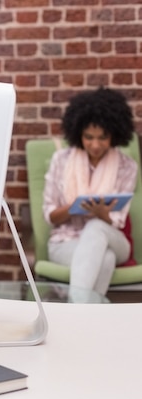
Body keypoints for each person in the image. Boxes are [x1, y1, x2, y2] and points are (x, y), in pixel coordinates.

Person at [43, 87, 138, 299]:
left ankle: (74, 313)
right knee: (105, 259)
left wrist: (101, 213)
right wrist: (73, 206)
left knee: (96, 228)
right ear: (78, 133)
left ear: (114, 134)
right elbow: (49, 215)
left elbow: (118, 222)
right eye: (89, 137)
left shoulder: (126, 166)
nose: (95, 145)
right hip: (65, 242)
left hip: (114, 238)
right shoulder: (61, 161)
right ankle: (90, 316)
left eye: (102, 138)